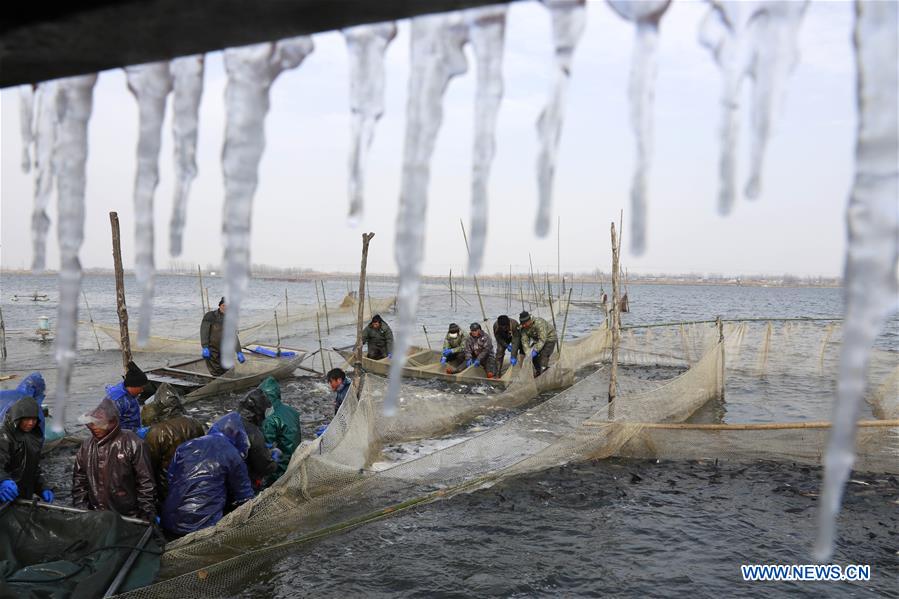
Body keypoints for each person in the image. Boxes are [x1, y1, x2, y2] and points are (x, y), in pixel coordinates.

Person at [161, 412, 254, 537]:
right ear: (238, 436)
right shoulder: (233, 454)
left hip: (169, 522)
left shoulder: (186, 445)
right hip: (202, 527)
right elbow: (244, 495)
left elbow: (171, 478)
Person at [72, 399, 156, 522]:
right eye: (92, 423)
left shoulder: (133, 443)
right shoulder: (86, 446)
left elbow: (146, 482)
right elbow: (79, 480)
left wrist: (146, 513)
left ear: (112, 422)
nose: (94, 427)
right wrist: (82, 509)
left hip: (128, 515)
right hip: (95, 514)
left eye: (99, 423)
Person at [141, 384, 206, 503]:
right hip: (195, 476)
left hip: (167, 483)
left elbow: (150, 463)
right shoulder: (194, 422)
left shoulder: (157, 432)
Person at [0, 396, 54, 504]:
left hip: (23, 497)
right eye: (27, 419)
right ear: (18, 418)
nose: (30, 423)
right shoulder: (4, 437)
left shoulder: (33, 437)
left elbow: (33, 469)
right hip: (4, 494)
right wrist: (2, 481)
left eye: (34, 419)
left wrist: (43, 487)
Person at [259, 376, 301, 479]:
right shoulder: (292, 411)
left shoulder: (270, 419)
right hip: (296, 461)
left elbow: (265, 449)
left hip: (281, 467)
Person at [237, 389, 278, 490]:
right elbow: (264, 467)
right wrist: (274, 462)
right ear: (259, 413)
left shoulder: (224, 420)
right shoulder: (254, 434)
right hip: (240, 483)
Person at [200, 297, 245, 376]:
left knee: (228, 369)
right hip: (212, 349)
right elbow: (204, 332)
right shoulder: (210, 316)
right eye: (224, 305)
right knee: (216, 370)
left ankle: (227, 383)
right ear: (220, 305)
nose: (226, 308)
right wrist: (205, 347)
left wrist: (239, 352)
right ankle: (217, 383)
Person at [104, 360, 147, 431]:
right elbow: (109, 424)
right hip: (125, 434)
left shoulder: (124, 388)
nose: (142, 390)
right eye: (141, 388)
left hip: (133, 427)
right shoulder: (120, 400)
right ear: (134, 385)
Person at [519, 311, 558, 376]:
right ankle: (538, 371)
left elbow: (542, 339)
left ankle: (544, 373)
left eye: (525, 323)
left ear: (529, 320)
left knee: (543, 355)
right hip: (537, 340)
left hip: (549, 338)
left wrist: (535, 350)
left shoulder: (539, 323)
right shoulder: (523, 328)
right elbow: (524, 341)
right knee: (533, 357)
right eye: (522, 323)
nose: (523, 325)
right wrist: (529, 353)